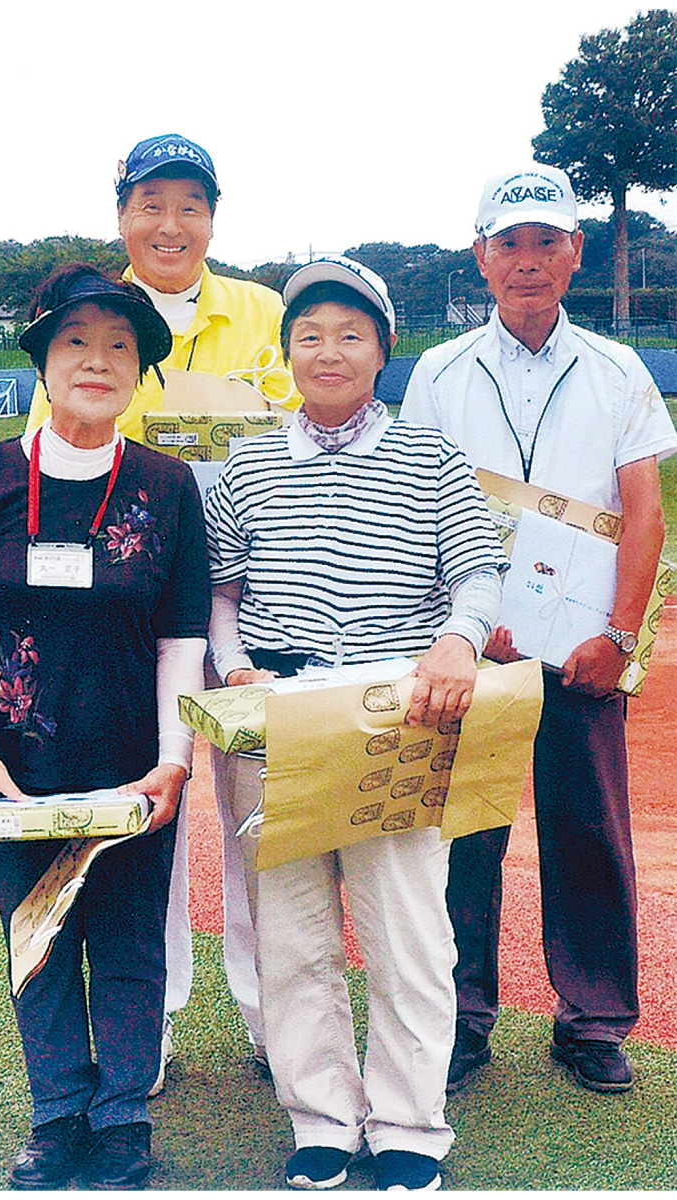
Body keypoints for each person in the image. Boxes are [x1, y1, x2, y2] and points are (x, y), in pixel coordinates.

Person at [205, 256, 506, 1191]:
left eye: (349, 335)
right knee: (292, 935)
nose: (327, 352)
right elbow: (221, 587)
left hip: (398, 713)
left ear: (383, 349)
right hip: (279, 717)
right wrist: (237, 666)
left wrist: (459, 641)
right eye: (308, 336)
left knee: (409, 933)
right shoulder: (248, 460)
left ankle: (411, 1126)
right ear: (285, 352)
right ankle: (323, 1117)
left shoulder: (430, 455)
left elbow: (476, 572)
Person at [0, 264, 209, 1189]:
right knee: (38, 941)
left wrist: (173, 763)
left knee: (131, 941)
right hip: (18, 764)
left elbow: (182, 637)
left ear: (140, 373)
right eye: (77, 342)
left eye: (120, 346)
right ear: (44, 361)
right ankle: (57, 1117)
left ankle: (123, 1117)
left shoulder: (168, 487)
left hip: (134, 763)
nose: (98, 361)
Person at [26, 133, 294, 1093]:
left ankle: (279, 1023)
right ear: (121, 214)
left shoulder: (267, 314)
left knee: (266, 831)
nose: (170, 223)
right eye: (150, 203)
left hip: (266, 611)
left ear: (215, 217)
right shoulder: (93, 320)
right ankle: (156, 1026)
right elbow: (49, 460)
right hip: (137, 627)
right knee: (156, 824)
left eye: (190, 204)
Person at [401, 164, 677, 1096]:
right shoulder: (438, 373)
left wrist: (621, 633)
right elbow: (416, 506)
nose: (527, 261)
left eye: (545, 242)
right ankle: (459, 1015)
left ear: (575, 253)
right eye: (508, 243)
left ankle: (593, 1020)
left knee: (590, 829)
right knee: (461, 836)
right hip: (473, 648)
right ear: (481, 257)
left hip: (584, 651)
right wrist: (465, 630)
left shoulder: (617, 368)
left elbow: (643, 513)